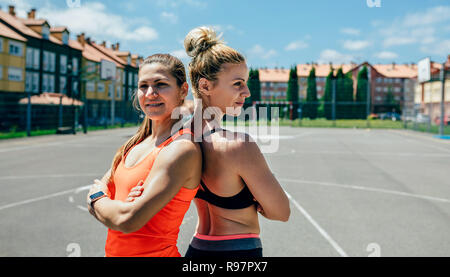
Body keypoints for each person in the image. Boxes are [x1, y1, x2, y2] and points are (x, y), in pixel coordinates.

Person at [128, 27, 291, 257]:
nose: (246, 92)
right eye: (237, 83)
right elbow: (281, 212)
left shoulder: (175, 138)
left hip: (196, 251)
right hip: (238, 253)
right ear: (205, 86)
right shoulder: (237, 145)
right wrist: (257, 196)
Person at [86, 53, 202, 257]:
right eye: (143, 86)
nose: (150, 93)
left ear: (183, 90)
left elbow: (127, 220)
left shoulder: (181, 147)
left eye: (160, 84)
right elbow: (108, 198)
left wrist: (97, 200)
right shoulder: (133, 144)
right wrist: (114, 205)